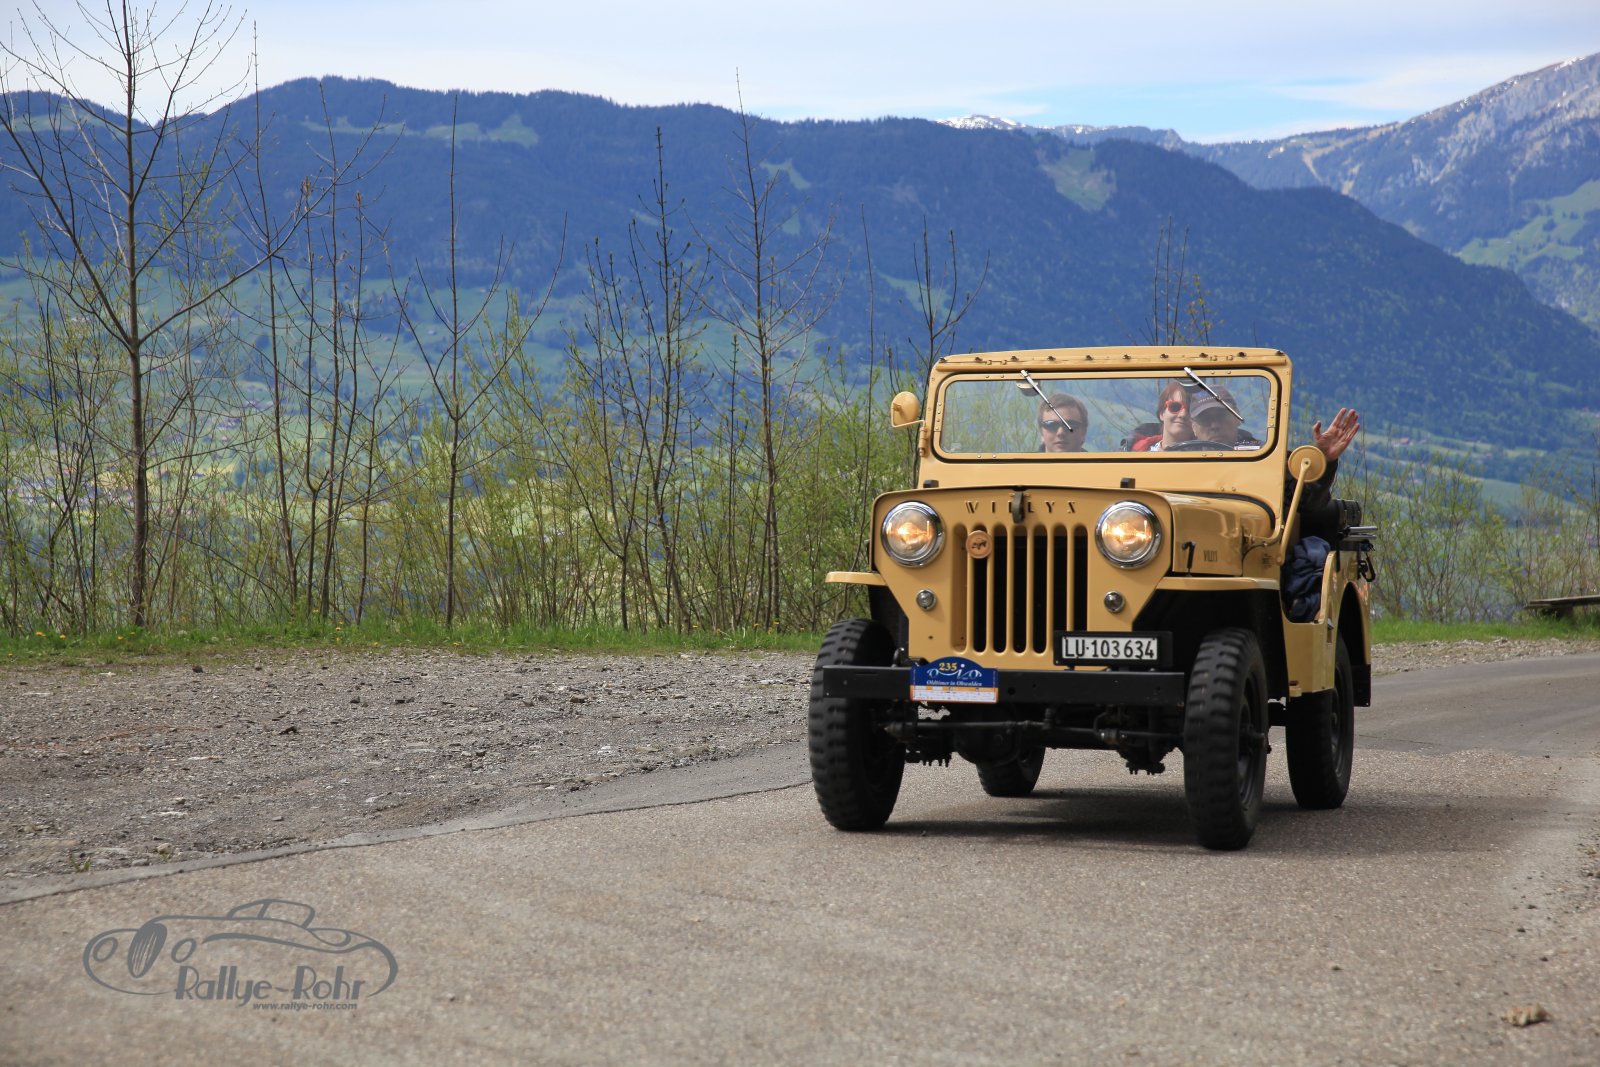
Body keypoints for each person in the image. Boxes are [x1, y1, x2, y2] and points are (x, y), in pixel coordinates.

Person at [1128, 380, 1193, 451]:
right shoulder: (1134, 452)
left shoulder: (1202, 454)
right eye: (1175, 407)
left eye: (1190, 410)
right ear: (1161, 413)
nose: (1183, 414)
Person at [1187, 386, 1261, 448]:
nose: (1215, 426)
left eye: (1221, 416)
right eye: (1204, 419)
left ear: (1237, 417)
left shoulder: (1261, 453)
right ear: (1194, 428)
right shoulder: (1184, 457)